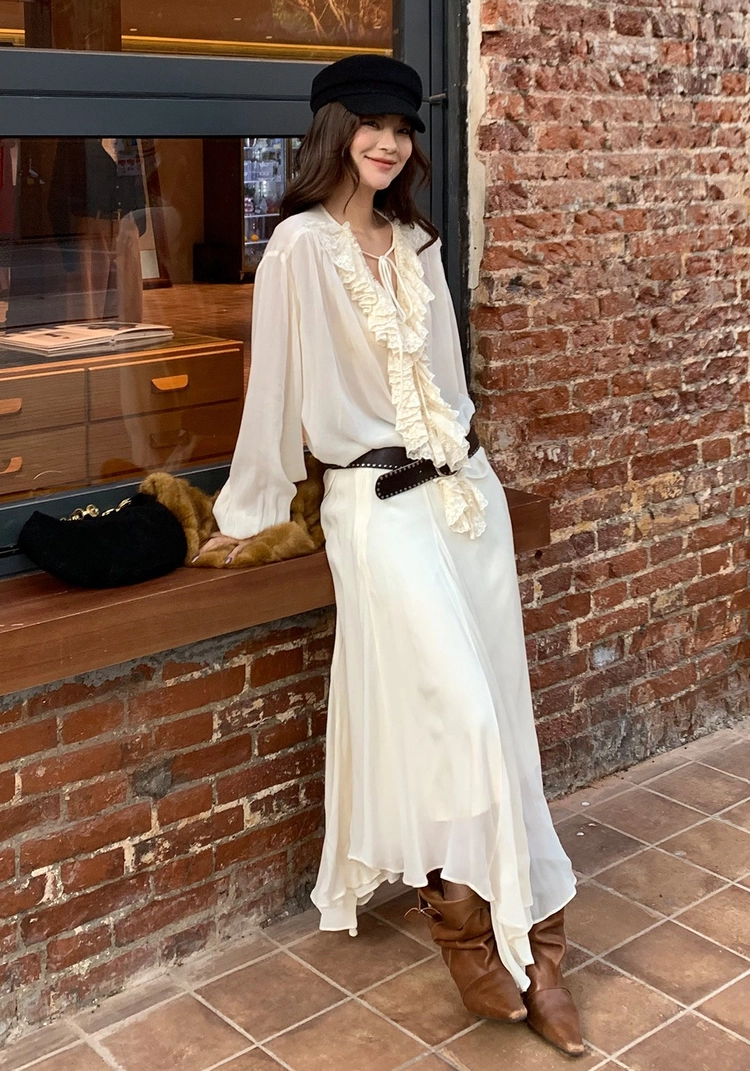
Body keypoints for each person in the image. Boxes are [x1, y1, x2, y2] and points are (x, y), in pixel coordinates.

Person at [201, 54, 584, 1058]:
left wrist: (473, 476)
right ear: (336, 130)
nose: (391, 143)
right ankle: (468, 931)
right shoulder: (296, 249)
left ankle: (539, 941)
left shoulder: (417, 243)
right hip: (373, 506)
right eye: (372, 124)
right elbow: (273, 395)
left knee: (501, 720)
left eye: (405, 129)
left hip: (463, 498)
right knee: (459, 715)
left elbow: (449, 388)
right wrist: (249, 511)